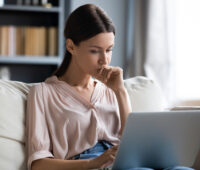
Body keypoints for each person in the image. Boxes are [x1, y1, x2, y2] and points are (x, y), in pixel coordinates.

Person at [26, 4, 195, 170]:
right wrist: (93, 163)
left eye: (109, 50)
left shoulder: (111, 89)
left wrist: (120, 91)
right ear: (71, 46)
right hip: (85, 165)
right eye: (95, 51)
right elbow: (38, 164)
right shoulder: (42, 93)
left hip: (122, 164)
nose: (104, 60)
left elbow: (134, 142)